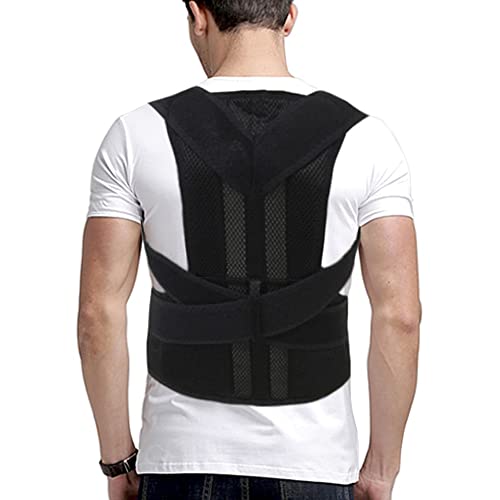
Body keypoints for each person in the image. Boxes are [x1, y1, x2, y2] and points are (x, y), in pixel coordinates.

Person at [77, 1, 421, 499]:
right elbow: (400, 317)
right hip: (316, 464)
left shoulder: (135, 135)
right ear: (289, 16)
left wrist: (118, 462)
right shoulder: (367, 140)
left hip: (181, 460)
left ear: (198, 14)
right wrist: (382, 470)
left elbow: (98, 315)